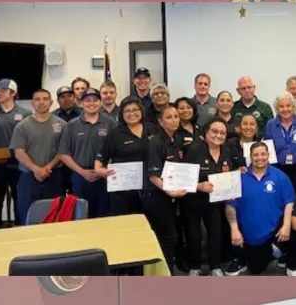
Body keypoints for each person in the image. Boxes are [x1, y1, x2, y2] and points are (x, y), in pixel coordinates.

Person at [223, 142, 296, 276]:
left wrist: (287, 225)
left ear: (268, 155)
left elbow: (289, 202)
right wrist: (234, 230)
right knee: (256, 268)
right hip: (250, 232)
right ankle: (268, 250)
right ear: (250, 157)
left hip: (275, 228)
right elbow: (230, 206)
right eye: (256, 155)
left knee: (295, 226)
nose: (260, 158)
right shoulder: (239, 177)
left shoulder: (280, 176)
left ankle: (292, 262)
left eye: (263, 154)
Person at [181, 117, 242, 276]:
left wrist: (238, 173)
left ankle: (215, 266)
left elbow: (234, 171)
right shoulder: (194, 150)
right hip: (193, 201)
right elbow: (182, 177)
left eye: (222, 133)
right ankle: (195, 266)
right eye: (214, 131)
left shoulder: (228, 152)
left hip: (215, 202)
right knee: (194, 235)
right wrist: (199, 186)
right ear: (206, 132)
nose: (218, 135)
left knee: (216, 234)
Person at [0, 79, 33, 226]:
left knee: (21, 199)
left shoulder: (26, 113)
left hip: (20, 164)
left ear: (12, 93)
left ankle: (22, 229)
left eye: (3, 90)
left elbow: (30, 139)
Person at [94, 98, 161, 216]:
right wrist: (99, 170)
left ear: (141, 111)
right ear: (122, 114)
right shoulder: (115, 133)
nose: (132, 114)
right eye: (127, 111)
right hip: (123, 190)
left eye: (135, 110)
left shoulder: (153, 129)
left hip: (150, 188)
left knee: (151, 225)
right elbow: (101, 156)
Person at [9, 89, 67, 224]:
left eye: (45, 99)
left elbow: (63, 151)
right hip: (28, 177)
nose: (41, 102)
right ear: (32, 103)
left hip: (54, 176)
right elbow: (19, 152)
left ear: (51, 102)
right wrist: (36, 169)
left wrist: (47, 167)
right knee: (27, 215)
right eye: (37, 99)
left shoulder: (62, 125)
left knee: (55, 216)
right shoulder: (22, 126)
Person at [58, 88, 118, 218]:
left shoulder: (110, 123)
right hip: (80, 177)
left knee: (105, 217)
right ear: (80, 103)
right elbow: (63, 153)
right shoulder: (72, 125)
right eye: (87, 100)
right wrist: (82, 172)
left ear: (100, 102)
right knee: (82, 216)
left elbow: (117, 149)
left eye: (95, 100)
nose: (91, 103)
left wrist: (104, 170)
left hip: (105, 177)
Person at [145, 105, 187, 272]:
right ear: (160, 121)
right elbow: (153, 175)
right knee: (168, 236)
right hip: (157, 194)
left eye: (176, 116)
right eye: (169, 117)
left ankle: (167, 268)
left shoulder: (176, 140)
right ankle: (165, 271)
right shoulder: (155, 142)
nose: (174, 120)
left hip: (172, 195)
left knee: (172, 234)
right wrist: (169, 191)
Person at [263, 92, 296, 191]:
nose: (285, 109)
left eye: (288, 106)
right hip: (279, 168)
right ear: (277, 109)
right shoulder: (270, 125)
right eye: (281, 106)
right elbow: (268, 150)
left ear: (294, 107)